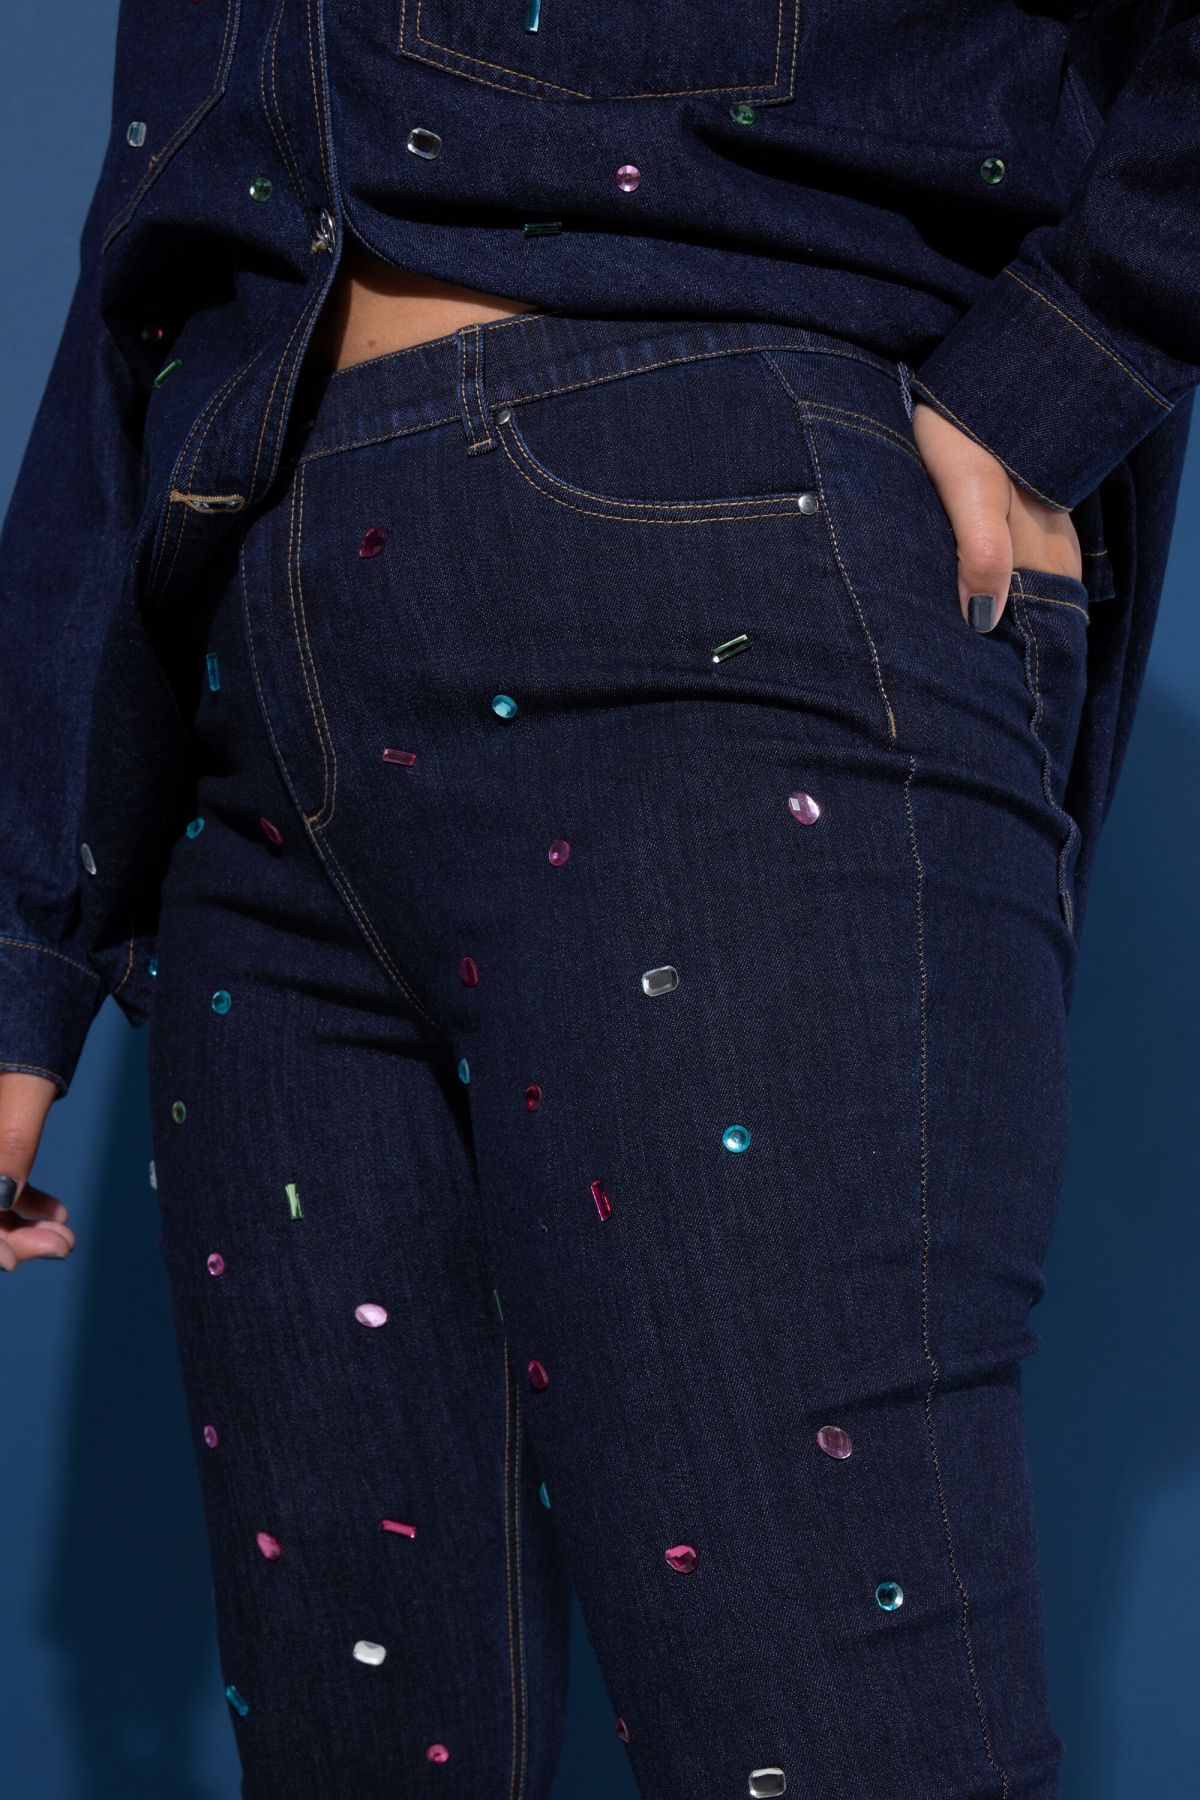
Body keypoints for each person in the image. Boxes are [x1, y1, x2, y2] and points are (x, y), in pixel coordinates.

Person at [1, 4, 1197, 1795]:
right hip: (249, 689)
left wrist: (1066, 366)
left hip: (713, 572)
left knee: (830, 1742)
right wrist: (24, 922)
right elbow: (142, 259)